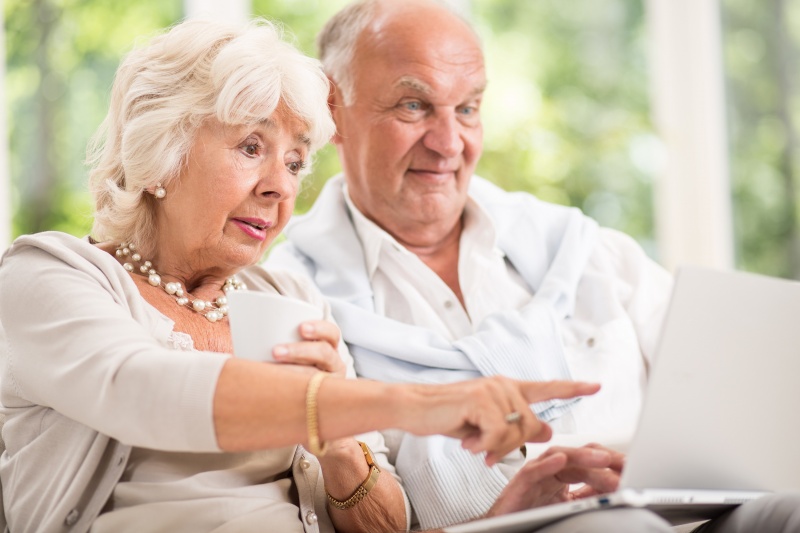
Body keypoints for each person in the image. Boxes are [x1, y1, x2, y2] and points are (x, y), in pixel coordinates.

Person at [0, 17, 600, 533]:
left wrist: (343, 441)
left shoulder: (287, 295)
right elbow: (142, 390)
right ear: (161, 151)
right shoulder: (50, 275)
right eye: (250, 147)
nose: (280, 186)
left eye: (294, 161)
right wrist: (410, 403)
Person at [268, 1, 800, 532]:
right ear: (332, 110)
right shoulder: (298, 305)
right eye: (414, 106)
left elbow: (733, 410)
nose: (450, 143)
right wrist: (502, 519)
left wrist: (659, 478)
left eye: (469, 108)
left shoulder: (582, 249)